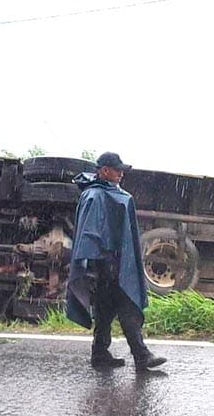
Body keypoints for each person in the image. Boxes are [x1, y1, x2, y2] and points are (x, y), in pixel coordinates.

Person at [65, 151, 166, 371]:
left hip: (114, 263)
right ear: (104, 170)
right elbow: (89, 235)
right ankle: (141, 355)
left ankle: (100, 353)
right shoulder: (94, 196)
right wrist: (93, 264)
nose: (121, 174)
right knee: (126, 304)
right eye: (117, 170)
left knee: (105, 308)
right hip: (106, 265)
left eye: (122, 170)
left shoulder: (114, 195)